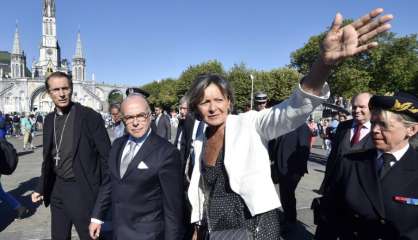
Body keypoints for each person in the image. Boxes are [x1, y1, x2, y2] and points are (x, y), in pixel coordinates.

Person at [186, 8, 392, 239]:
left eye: (218, 100)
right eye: (205, 102)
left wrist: (323, 65)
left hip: (253, 226)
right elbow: (203, 190)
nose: (213, 107)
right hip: (215, 228)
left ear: (229, 102)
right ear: (196, 106)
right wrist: (197, 226)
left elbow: (291, 110)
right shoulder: (200, 136)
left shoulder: (250, 123)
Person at [314, 92, 418, 239]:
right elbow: (329, 217)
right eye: (374, 123)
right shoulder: (350, 163)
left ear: (411, 130)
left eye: (383, 125)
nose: (374, 130)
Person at [89, 93, 184, 240]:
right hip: (118, 231)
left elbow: (173, 209)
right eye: (129, 117)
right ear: (123, 119)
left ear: (149, 115)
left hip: (148, 235)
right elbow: (109, 183)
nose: (135, 122)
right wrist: (97, 217)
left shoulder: (167, 152)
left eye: (140, 116)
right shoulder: (117, 145)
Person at [31, 72, 111, 240]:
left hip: (81, 189)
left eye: (65, 88)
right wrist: (41, 186)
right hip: (56, 189)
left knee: (89, 236)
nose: (61, 93)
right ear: (49, 92)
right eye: (56, 89)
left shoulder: (89, 117)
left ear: (71, 89)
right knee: (58, 236)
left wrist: (102, 199)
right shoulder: (49, 120)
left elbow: (107, 159)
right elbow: (49, 158)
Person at [319, 92, 374, 194]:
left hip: (360, 192)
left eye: (362, 107)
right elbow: (333, 156)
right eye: (354, 107)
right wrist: (325, 184)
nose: (357, 110)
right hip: (334, 188)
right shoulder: (343, 126)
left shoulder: (379, 130)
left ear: (372, 108)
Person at [269, 122, 311, 234]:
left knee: (287, 194)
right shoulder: (284, 125)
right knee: (285, 194)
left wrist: (296, 170)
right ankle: (288, 218)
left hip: (292, 170)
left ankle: (290, 222)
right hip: (281, 167)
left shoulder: (302, 127)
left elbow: (304, 150)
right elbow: (275, 144)